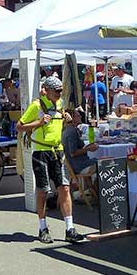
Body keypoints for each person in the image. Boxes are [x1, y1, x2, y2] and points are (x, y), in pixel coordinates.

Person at [19, 76, 83, 243]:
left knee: (65, 188)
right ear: (46, 91)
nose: (60, 94)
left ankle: (70, 228)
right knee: (43, 191)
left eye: (61, 91)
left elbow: (59, 122)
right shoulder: (36, 105)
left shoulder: (60, 103)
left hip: (58, 151)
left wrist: (67, 119)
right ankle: (43, 228)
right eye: (57, 91)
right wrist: (38, 123)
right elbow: (19, 126)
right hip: (40, 151)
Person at [62, 107, 98, 177]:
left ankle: (93, 186)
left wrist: (88, 147)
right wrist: (88, 149)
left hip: (80, 163)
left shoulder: (70, 130)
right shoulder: (71, 132)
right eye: (78, 116)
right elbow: (73, 153)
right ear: (72, 118)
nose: (80, 117)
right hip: (79, 166)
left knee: (106, 159)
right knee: (108, 163)